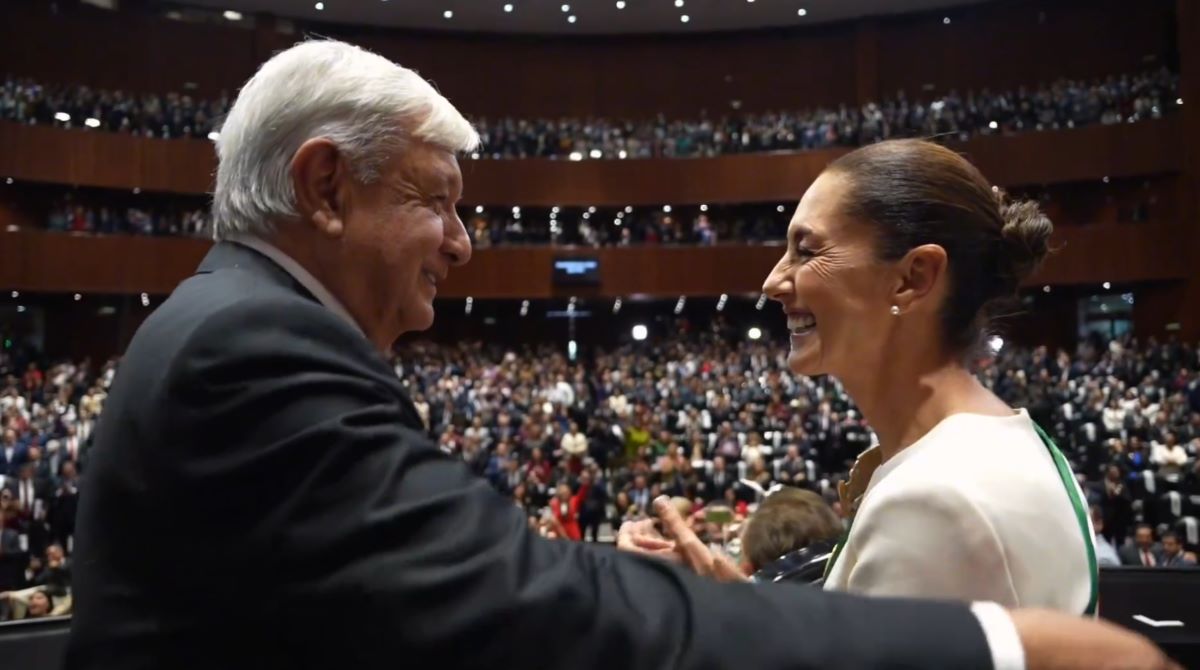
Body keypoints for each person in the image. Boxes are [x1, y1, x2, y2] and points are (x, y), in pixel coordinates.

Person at [65, 39, 1175, 670]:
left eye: (802, 248)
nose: (463, 241)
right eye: (438, 202)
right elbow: (509, 600)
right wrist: (997, 648)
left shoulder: (238, 327)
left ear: (915, 278)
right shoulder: (253, 342)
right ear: (322, 186)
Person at [759, 139, 1097, 614]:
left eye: (806, 250)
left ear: (913, 278)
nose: (773, 282)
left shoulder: (934, 502)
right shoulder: (990, 442)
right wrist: (739, 609)